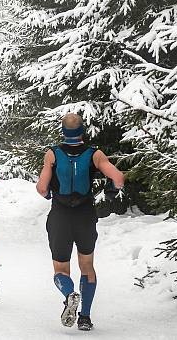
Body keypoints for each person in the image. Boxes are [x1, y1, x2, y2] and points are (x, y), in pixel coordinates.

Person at [36, 113, 125, 331]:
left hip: (60, 215)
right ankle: (84, 317)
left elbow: (41, 187)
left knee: (60, 268)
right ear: (82, 131)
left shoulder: (53, 154)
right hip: (85, 214)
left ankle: (69, 294)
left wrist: (49, 196)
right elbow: (118, 178)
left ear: (63, 131)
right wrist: (110, 193)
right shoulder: (94, 154)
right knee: (87, 266)